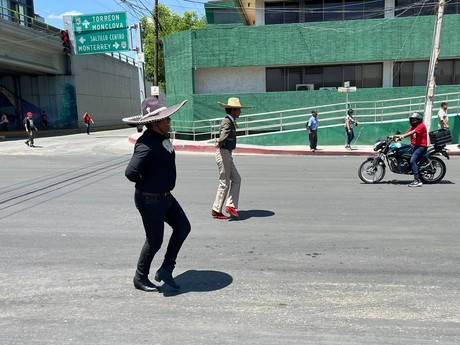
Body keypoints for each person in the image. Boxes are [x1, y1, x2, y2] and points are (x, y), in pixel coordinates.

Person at [124, 97, 190, 292]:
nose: (169, 121)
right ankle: (140, 277)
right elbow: (130, 172)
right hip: (149, 199)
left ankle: (166, 269)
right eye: (165, 119)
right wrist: (149, 181)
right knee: (154, 241)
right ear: (154, 122)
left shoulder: (162, 139)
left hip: (165, 196)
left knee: (183, 227)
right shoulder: (146, 144)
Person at [212, 97, 251, 220]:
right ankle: (218, 209)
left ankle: (228, 206)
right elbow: (223, 134)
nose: (240, 112)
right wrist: (219, 141)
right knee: (224, 183)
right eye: (238, 110)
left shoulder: (230, 121)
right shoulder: (227, 122)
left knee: (236, 179)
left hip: (227, 154)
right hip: (223, 153)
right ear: (233, 110)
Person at [395, 112, 427, 187]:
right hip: (413, 146)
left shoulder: (421, 126)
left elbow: (412, 133)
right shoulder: (413, 126)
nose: (412, 121)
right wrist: (394, 136)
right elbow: (406, 134)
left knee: (412, 161)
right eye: (411, 119)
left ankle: (417, 181)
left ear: (418, 120)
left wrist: (401, 137)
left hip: (420, 147)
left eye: (413, 119)